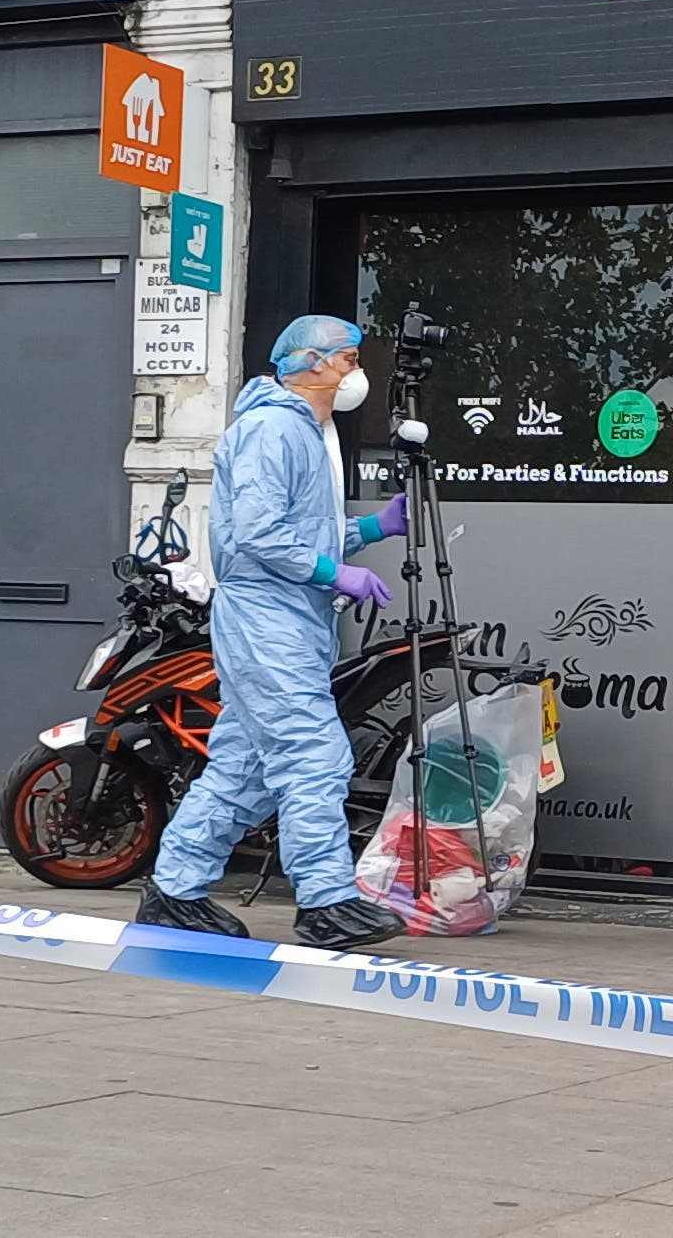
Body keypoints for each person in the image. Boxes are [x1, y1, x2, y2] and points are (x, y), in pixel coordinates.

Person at [139, 315, 412, 949]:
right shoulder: (273, 430)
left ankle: (176, 889)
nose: (354, 373)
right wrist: (333, 573)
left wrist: (371, 531)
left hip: (284, 618)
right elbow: (261, 537)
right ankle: (326, 902)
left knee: (244, 770)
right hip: (268, 618)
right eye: (348, 360)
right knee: (313, 755)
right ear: (313, 363)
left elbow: (298, 532)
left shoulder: (303, 432)